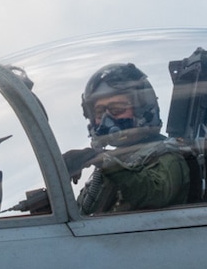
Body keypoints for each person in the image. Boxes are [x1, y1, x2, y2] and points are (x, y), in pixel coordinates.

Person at [73, 63, 191, 214]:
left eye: (117, 109)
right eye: (99, 112)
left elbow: (155, 195)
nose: (105, 119)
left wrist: (105, 162)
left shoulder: (167, 154)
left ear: (143, 110)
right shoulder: (118, 160)